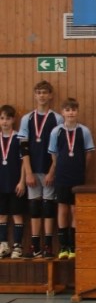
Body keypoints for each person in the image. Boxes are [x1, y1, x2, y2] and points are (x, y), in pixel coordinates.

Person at [18, 80, 63, 258]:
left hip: (49, 170)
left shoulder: (57, 118)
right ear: (35, 95)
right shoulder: (26, 118)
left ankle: (48, 246)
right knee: (35, 207)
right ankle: (35, 246)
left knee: (48, 207)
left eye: (45, 92)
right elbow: (23, 147)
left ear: (50, 95)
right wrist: (28, 172)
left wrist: (52, 171)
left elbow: (59, 150)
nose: (42, 95)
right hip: (33, 171)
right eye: (39, 92)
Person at [48, 98, 95, 260]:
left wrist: (83, 170)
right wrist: (57, 169)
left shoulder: (84, 131)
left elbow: (89, 153)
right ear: (62, 113)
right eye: (67, 110)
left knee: (75, 209)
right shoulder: (57, 131)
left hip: (77, 176)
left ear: (77, 112)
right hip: (61, 176)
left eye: (73, 110)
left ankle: (73, 246)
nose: (71, 113)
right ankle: (63, 246)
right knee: (63, 209)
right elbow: (53, 154)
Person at [0, 105, 26, 259]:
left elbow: (24, 162)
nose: (5, 122)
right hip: (1, 184)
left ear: (13, 120)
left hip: (16, 184)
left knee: (17, 215)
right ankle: (3, 244)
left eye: (8, 118)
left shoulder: (19, 138)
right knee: (2, 215)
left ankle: (17, 245)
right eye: (2, 118)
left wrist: (22, 181)